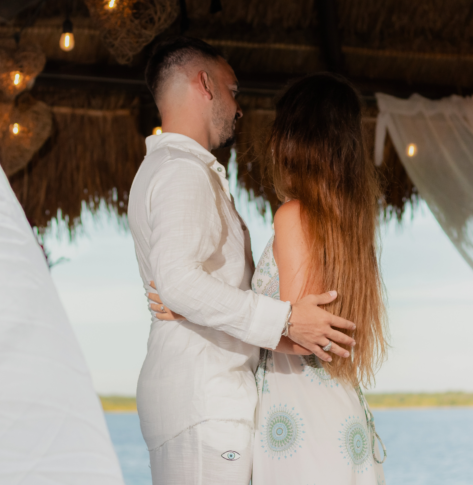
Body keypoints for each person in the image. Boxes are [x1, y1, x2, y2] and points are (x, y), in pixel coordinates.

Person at [127, 38, 356, 485]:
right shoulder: (182, 172)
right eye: (233, 91)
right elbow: (176, 279)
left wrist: (190, 307)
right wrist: (287, 319)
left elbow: (184, 285)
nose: (239, 107)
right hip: (206, 403)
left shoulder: (176, 169)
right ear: (205, 84)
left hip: (207, 401)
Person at [250, 73, 388, 484]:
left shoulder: (294, 215)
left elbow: (298, 335)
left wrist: (203, 316)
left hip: (299, 421)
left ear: (296, 138)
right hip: (339, 415)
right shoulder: (350, 226)